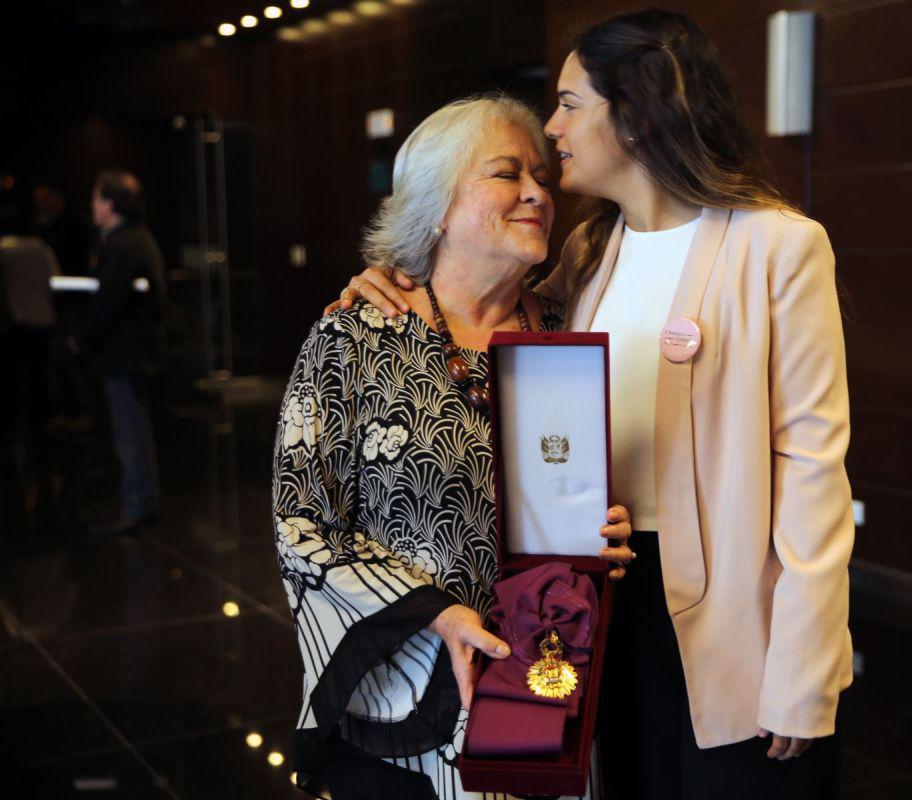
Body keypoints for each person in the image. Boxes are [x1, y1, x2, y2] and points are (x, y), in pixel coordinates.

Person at [331, 8, 854, 799]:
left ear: (640, 111)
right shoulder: (588, 253)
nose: (552, 127)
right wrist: (388, 280)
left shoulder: (778, 245)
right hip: (604, 597)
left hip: (739, 615)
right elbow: (480, 311)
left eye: (571, 103)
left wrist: (804, 669)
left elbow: (814, 469)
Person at [275, 94, 633, 800]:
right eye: (506, 174)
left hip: (549, 684)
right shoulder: (355, 338)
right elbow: (301, 523)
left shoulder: (574, 329)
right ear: (435, 206)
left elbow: (588, 483)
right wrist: (436, 613)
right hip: (409, 702)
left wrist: (606, 529)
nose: (537, 191)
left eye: (540, 173)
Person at [78, 170, 166, 537]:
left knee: (129, 433)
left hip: (125, 355)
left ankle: (138, 507)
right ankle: (142, 504)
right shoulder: (139, 240)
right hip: (138, 353)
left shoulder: (121, 244)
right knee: (135, 431)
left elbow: (107, 303)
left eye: (97, 199)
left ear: (111, 204)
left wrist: (81, 338)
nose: (93, 206)